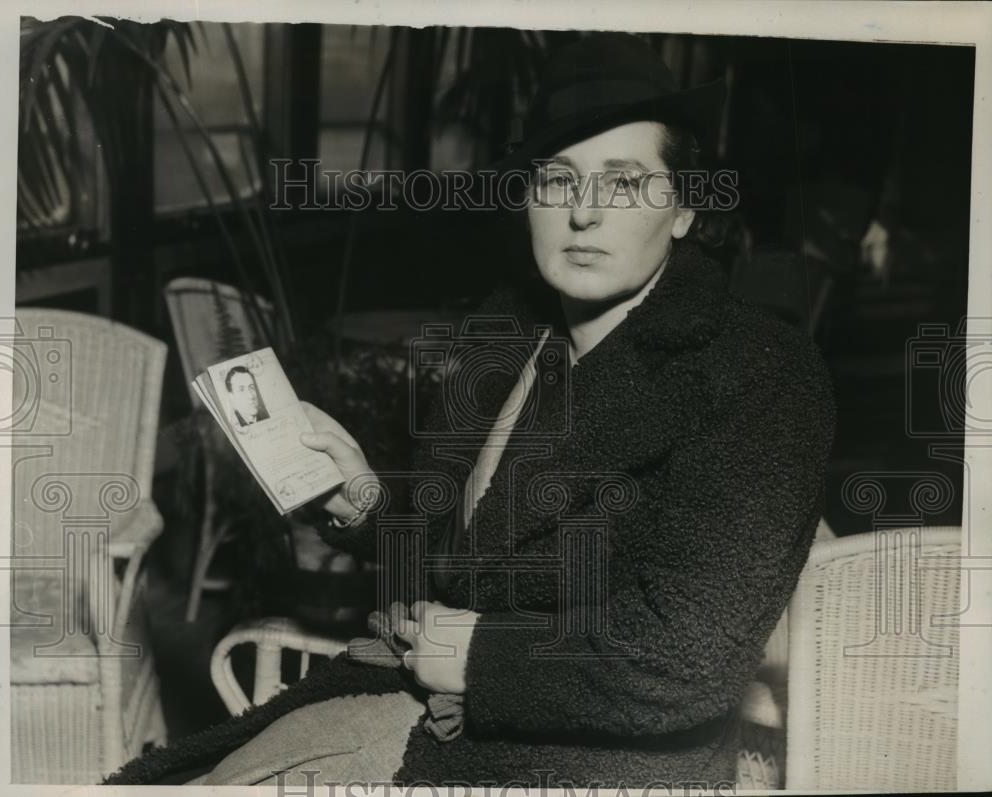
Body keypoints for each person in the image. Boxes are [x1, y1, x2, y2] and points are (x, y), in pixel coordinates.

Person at [106, 32, 834, 788]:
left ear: (683, 208)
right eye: (557, 180)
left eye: (623, 184)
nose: (582, 213)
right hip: (422, 710)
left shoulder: (758, 374)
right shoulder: (505, 333)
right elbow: (459, 563)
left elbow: (685, 663)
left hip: (592, 768)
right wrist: (361, 502)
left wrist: (480, 655)